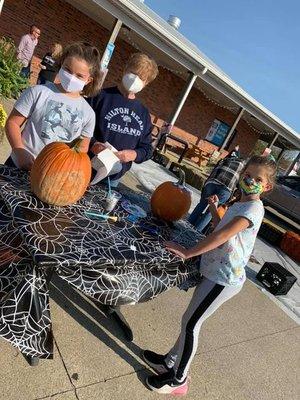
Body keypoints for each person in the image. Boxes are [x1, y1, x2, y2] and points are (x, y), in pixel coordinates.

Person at [143, 155, 277, 395]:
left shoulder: (254, 209)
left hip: (224, 279)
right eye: (247, 175)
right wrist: (216, 210)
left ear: (267, 186)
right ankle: (169, 362)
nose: (250, 180)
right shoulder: (239, 204)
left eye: (258, 179)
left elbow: (221, 237)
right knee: (189, 320)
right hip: (215, 271)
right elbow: (221, 228)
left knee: (192, 324)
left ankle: (179, 380)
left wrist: (188, 252)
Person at [5, 42, 102, 170]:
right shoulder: (37, 92)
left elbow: (82, 148)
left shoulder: (88, 113)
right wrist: (19, 150)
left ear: (89, 80)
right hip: (19, 165)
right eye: (67, 69)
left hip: (54, 174)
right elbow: (12, 123)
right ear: (61, 64)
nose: (71, 77)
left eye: (79, 76)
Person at [87, 52, 158, 187]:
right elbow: (80, 127)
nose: (135, 79)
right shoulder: (99, 96)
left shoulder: (143, 114)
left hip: (113, 179)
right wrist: (94, 145)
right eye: (133, 72)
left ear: (146, 83)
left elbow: (147, 149)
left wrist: (134, 155)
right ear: (125, 69)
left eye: (141, 77)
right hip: (86, 167)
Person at [189, 152, 245, 232]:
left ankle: (187, 225)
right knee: (210, 211)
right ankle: (195, 232)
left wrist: (205, 186)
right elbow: (240, 183)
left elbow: (212, 172)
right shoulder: (242, 167)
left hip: (212, 183)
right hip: (226, 189)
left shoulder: (225, 159)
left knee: (201, 205)